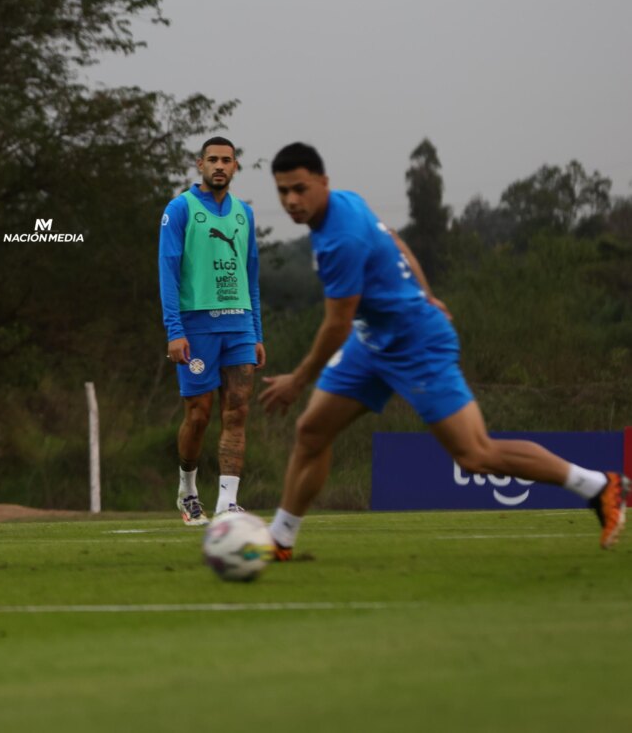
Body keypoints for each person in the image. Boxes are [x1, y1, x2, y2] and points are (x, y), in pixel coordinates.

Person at [258, 142, 628, 559]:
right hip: (372, 342)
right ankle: (281, 539)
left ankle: (597, 485)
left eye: (300, 189)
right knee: (312, 431)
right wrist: (427, 292)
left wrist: (298, 379)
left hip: (417, 343)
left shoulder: (340, 239)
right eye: (283, 191)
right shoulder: (345, 203)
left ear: (323, 183)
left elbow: (336, 323)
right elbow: (396, 241)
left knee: (475, 454)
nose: (291, 200)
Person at [158, 136, 264, 525]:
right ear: (199, 164)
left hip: (239, 324)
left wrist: (256, 332)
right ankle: (188, 492)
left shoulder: (245, 214)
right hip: (196, 325)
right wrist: (174, 330)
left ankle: (228, 503)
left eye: (227, 160)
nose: (220, 166)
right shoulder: (180, 209)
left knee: (237, 411)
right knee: (199, 415)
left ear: (235, 167)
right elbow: (167, 273)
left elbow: (252, 275)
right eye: (213, 159)